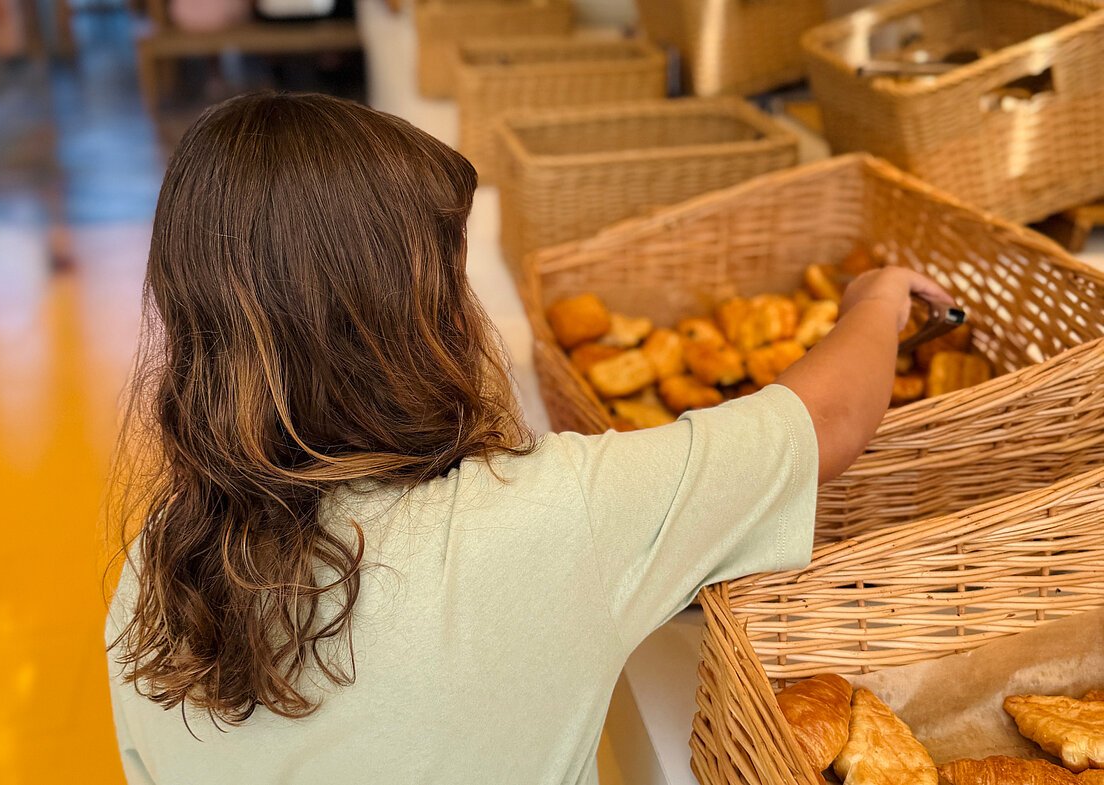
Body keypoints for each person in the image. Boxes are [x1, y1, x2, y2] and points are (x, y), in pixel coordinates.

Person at [105, 91, 952, 784]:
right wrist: (876, 301)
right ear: (415, 318)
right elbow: (828, 418)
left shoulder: (153, 570)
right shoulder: (551, 514)